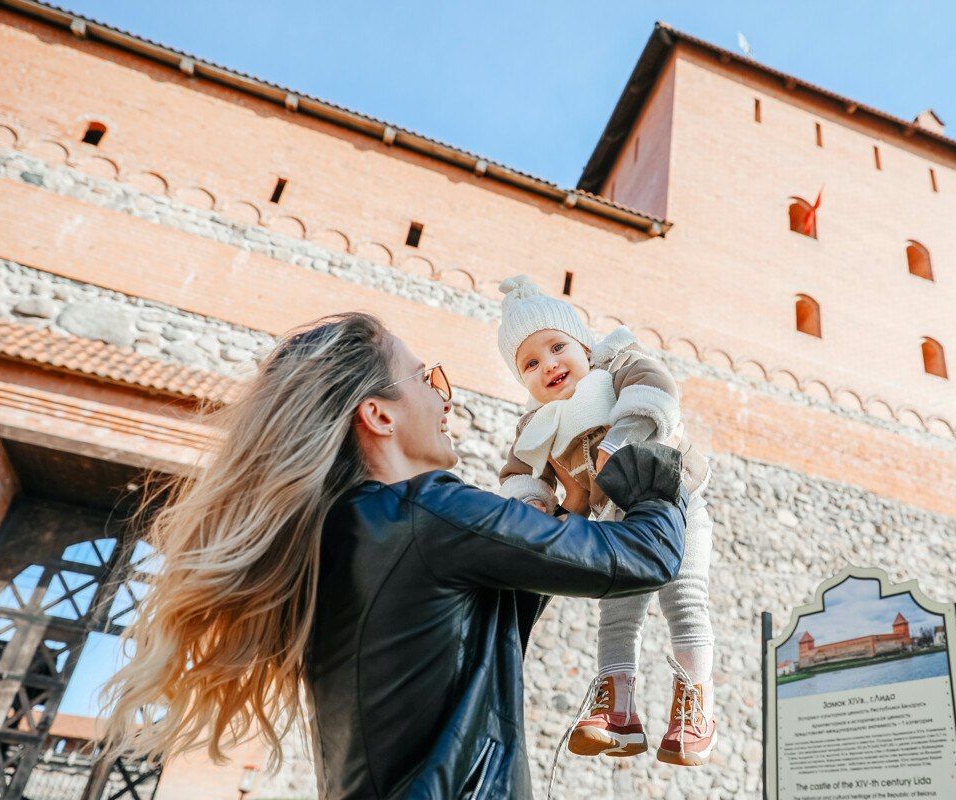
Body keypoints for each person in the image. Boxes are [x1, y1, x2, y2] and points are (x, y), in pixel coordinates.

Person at [100, 311, 688, 799]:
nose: (445, 398)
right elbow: (646, 556)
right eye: (426, 379)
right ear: (378, 415)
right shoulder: (433, 513)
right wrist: (653, 458)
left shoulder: (339, 532)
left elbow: (495, 612)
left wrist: (572, 505)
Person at [494, 276, 717, 766]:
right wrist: (533, 506)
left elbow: (655, 388)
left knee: (683, 597)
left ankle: (696, 706)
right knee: (615, 612)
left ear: (584, 345)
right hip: (616, 520)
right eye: (530, 363)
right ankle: (618, 714)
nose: (549, 364)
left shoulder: (616, 364)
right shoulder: (536, 426)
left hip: (675, 499)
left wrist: (623, 436)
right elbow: (519, 476)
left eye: (557, 347)